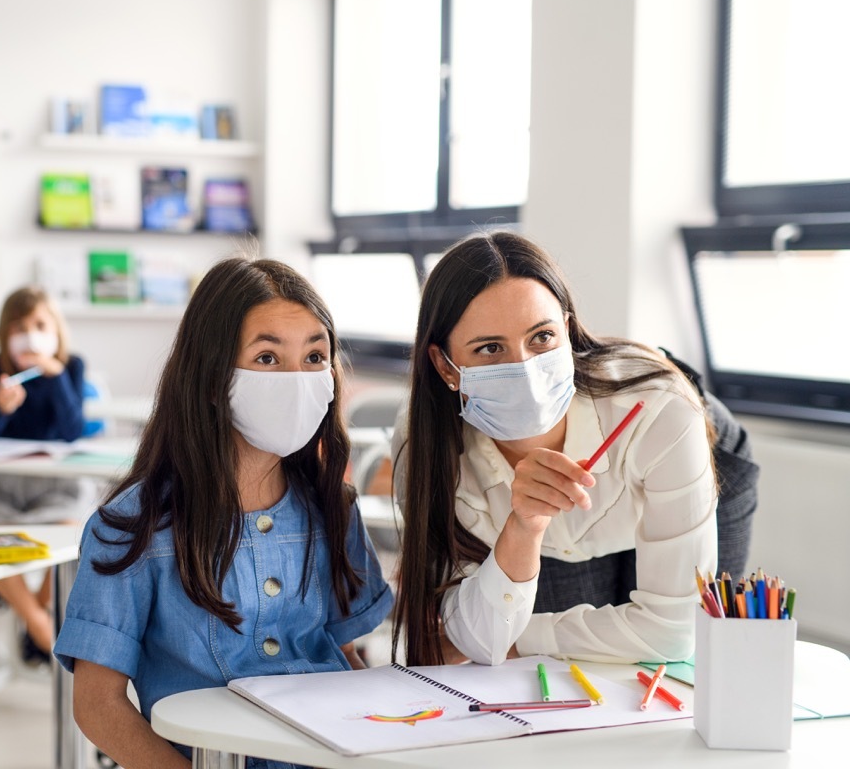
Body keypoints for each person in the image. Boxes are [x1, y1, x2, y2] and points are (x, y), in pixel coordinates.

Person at [54, 257, 394, 769]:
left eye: (314, 356)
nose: (297, 380)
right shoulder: (131, 529)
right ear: (213, 380)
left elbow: (339, 651)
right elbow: (97, 706)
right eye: (266, 358)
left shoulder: (332, 507)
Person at [391, 231, 718, 669]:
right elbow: (460, 630)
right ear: (444, 365)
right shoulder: (425, 445)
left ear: (566, 330)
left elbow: (675, 632)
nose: (524, 368)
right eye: (489, 348)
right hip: (553, 535)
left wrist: (517, 639)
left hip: (702, 454)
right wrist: (522, 527)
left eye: (541, 337)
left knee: (692, 657)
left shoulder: (661, 412)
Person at [0, 285, 94, 663]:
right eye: (19, 327)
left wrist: (55, 377)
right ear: (5, 335)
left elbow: (72, 430)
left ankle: (40, 615)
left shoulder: (72, 367)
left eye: (39, 324)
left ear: (56, 329)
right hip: (0, 489)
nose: (30, 334)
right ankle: (39, 624)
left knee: (71, 534)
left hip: (55, 487)